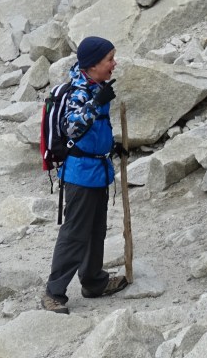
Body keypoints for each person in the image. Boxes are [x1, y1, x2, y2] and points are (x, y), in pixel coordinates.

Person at [41, 36, 128, 313]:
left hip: (97, 170)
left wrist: (110, 145)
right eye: (109, 59)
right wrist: (94, 104)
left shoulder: (96, 85)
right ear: (92, 65)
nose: (114, 64)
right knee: (75, 233)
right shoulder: (81, 91)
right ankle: (53, 293)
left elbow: (93, 130)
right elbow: (72, 129)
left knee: (96, 230)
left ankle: (93, 282)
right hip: (80, 174)